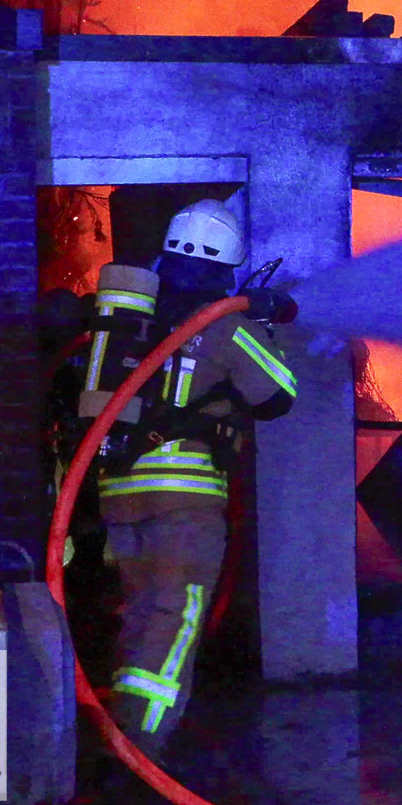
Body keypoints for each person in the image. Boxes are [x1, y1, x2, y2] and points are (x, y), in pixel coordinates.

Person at [95, 198, 297, 754]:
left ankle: (122, 730)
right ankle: (143, 747)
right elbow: (278, 395)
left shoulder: (131, 315)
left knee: (141, 610)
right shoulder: (223, 324)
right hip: (182, 496)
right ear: (226, 266)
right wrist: (259, 324)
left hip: (117, 490)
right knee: (177, 614)